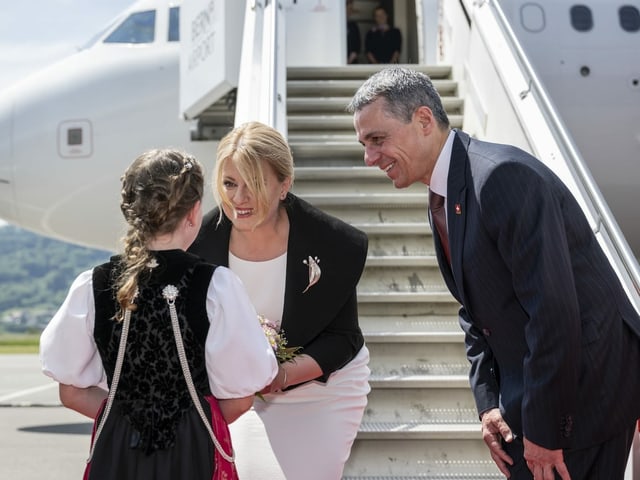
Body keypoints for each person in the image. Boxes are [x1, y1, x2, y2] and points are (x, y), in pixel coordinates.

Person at [347, 66, 640, 479]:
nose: (369, 157)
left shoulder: (500, 177)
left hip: (584, 394)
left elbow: (552, 310)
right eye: (364, 144)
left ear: (424, 121)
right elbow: (474, 309)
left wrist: (543, 429)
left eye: (378, 139)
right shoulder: (446, 193)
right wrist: (488, 402)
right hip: (538, 390)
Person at [39, 149, 279, 480]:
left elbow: (72, 392)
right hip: (191, 451)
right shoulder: (216, 286)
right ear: (194, 212)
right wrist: (186, 422)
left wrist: (128, 418)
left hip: (118, 450)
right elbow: (239, 400)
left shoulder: (93, 285)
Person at [188, 121, 371, 480]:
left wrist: (279, 375)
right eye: (229, 184)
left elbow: (344, 339)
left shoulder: (334, 243)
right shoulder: (197, 247)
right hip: (241, 396)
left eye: (254, 184)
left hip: (324, 390)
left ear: (284, 185)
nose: (238, 198)